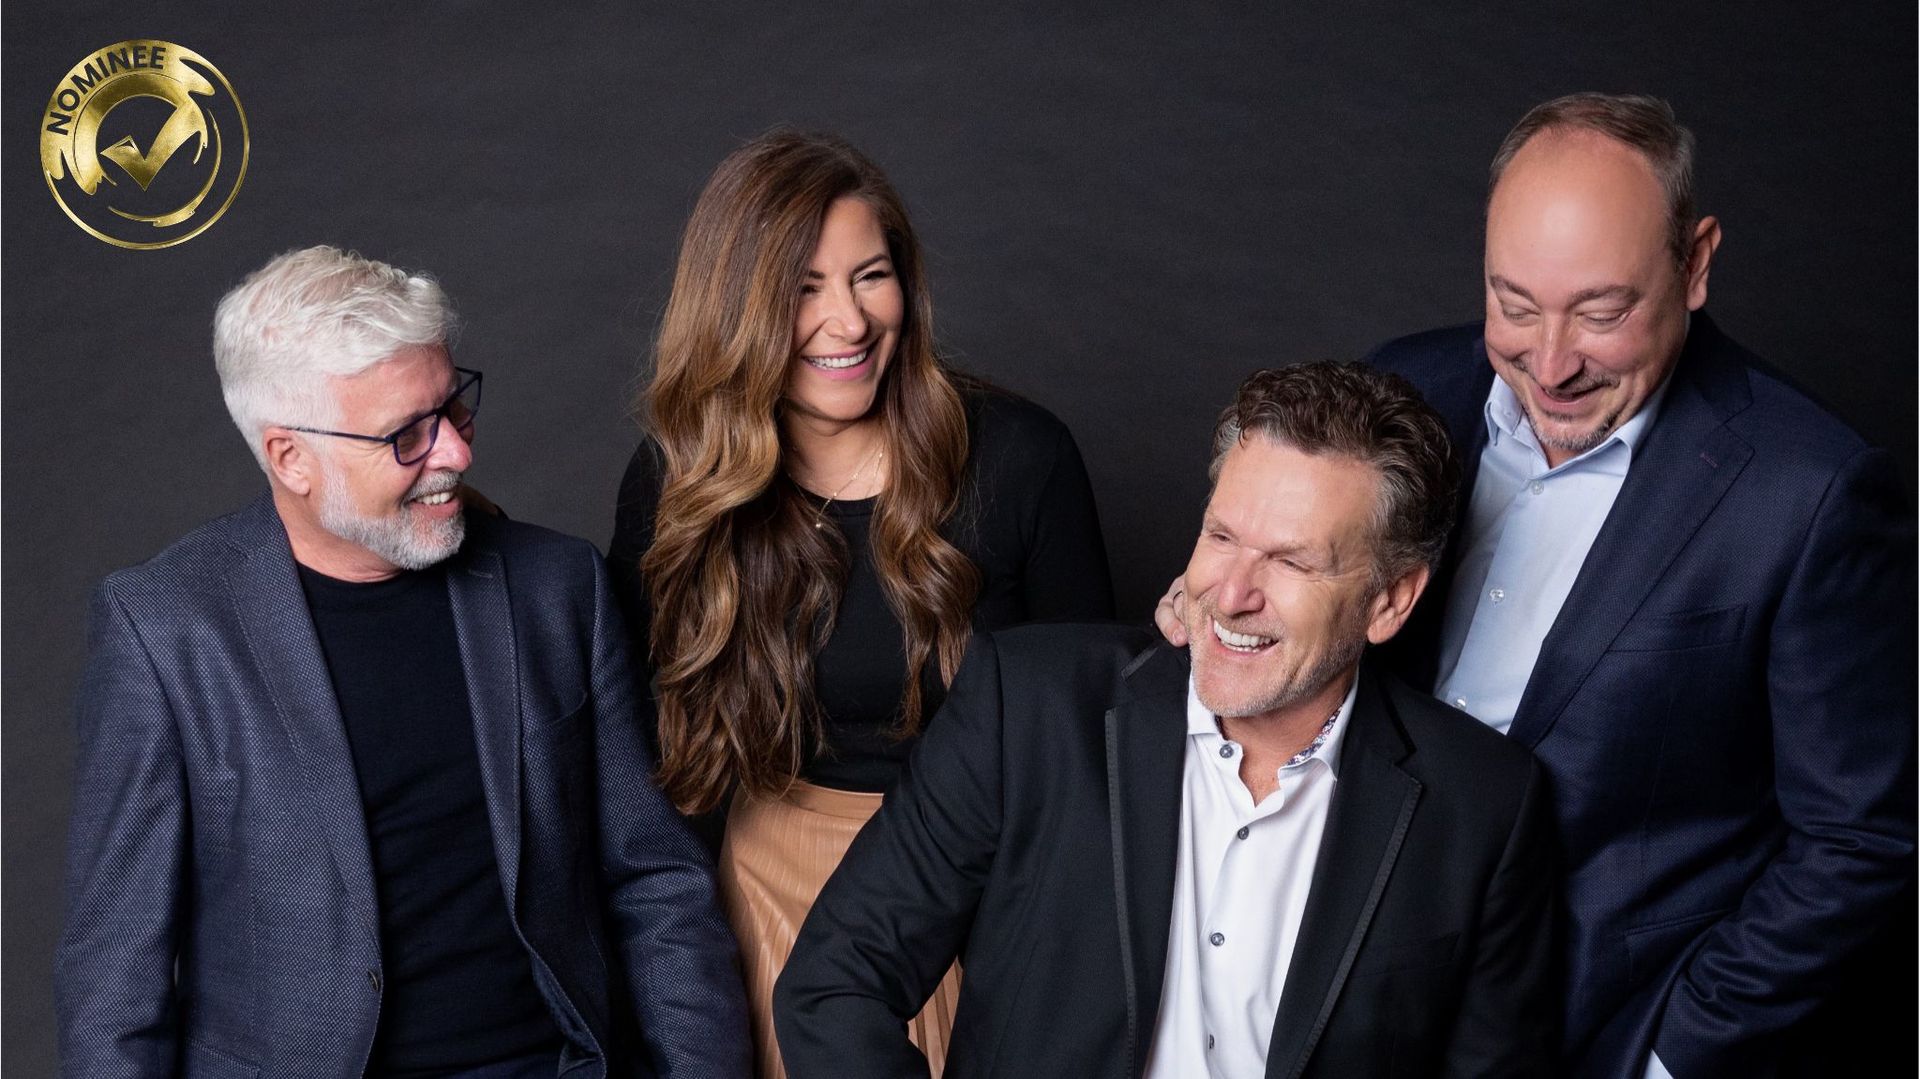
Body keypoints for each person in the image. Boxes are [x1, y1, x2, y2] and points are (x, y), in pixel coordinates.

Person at [1169, 93, 1917, 1078]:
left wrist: (1673, 1053)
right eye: (1513, 305)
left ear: (1695, 263)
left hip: (1594, 1029)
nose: (1550, 362)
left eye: (1601, 312)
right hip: (1343, 1001)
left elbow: (1860, 839)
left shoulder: (1810, 488)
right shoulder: (1410, 388)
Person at [56, 246, 749, 1079]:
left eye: (454, 408)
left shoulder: (558, 589)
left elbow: (658, 882)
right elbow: (114, 982)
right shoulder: (165, 630)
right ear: (289, 458)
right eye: (407, 434)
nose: (454, 452)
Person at [777, 361, 1559, 1078]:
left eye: (1289, 561)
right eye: (1221, 536)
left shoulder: (1482, 804)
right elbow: (835, 981)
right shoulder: (1029, 707)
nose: (1231, 591)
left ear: (1391, 600)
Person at [608, 131, 1113, 1078]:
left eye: (870, 276)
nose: (848, 321)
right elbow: (631, 749)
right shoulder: (676, 481)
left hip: (985, 898)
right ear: (738, 309)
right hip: (771, 892)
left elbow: (1091, 740)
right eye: (804, 287)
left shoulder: (1021, 457)